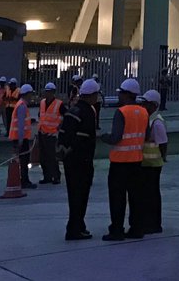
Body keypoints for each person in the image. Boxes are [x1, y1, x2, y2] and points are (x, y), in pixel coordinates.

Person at [100, 79, 148, 241]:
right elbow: (146, 136)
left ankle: (117, 230)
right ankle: (136, 229)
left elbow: (116, 137)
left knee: (117, 199)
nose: (119, 95)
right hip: (136, 162)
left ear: (127, 94)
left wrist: (103, 137)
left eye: (121, 92)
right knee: (136, 198)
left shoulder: (121, 112)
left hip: (120, 163)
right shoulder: (143, 112)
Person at [58, 79, 100, 241]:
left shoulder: (73, 109)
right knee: (80, 196)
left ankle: (76, 226)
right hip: (81, 161)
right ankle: (75, 228)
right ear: (92, 95)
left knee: (73, 195)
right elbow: (86, 139)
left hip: (70, 161)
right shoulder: (88, 112)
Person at [139, 89, 168, 234]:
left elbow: (163, 143)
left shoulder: (156, 122)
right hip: (145, 164)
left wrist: (163, 157)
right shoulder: (147, 119)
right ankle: (148, 222)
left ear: (154, 106)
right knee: (146, 194)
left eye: (147, 104)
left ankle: (154, 224)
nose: (144, 106)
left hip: (153, 165)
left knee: (152, 195)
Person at [8, 83, 36, 189]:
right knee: (24, 160)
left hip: (19, 137)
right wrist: (20, 140)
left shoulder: (21, 104)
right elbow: (20, 124)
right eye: (30, 94)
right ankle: (24, 181)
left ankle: (23, 180)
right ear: (27, 94)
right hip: (20, 138)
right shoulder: (22, 106)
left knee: (23, 160)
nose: (31, 96)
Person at [37, 83, 66, 185]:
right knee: (43, 157)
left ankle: (56, 176)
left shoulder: (59, 104)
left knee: (52, 157)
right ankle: (47, 176)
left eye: (49, 91)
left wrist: (60, 127)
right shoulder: (42, 103)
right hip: (42, 133)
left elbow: (65, 116)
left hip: (53, 134)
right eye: (46, 91)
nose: (47, 93)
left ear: (53, 92)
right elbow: (41, 116)